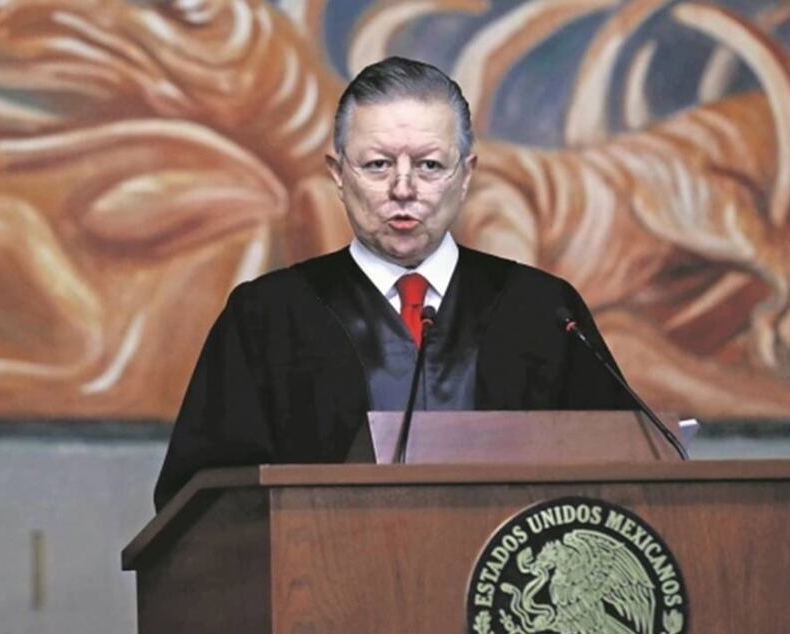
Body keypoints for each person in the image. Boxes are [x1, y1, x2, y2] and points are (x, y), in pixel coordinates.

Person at [153, 57, 630, 510]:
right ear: (338, 175)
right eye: (378, 165)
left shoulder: (543, 311)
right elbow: (205, 504)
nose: (404, 189)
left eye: (430, 166)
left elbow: (626, 475)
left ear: (466, 177)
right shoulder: (266, 316)